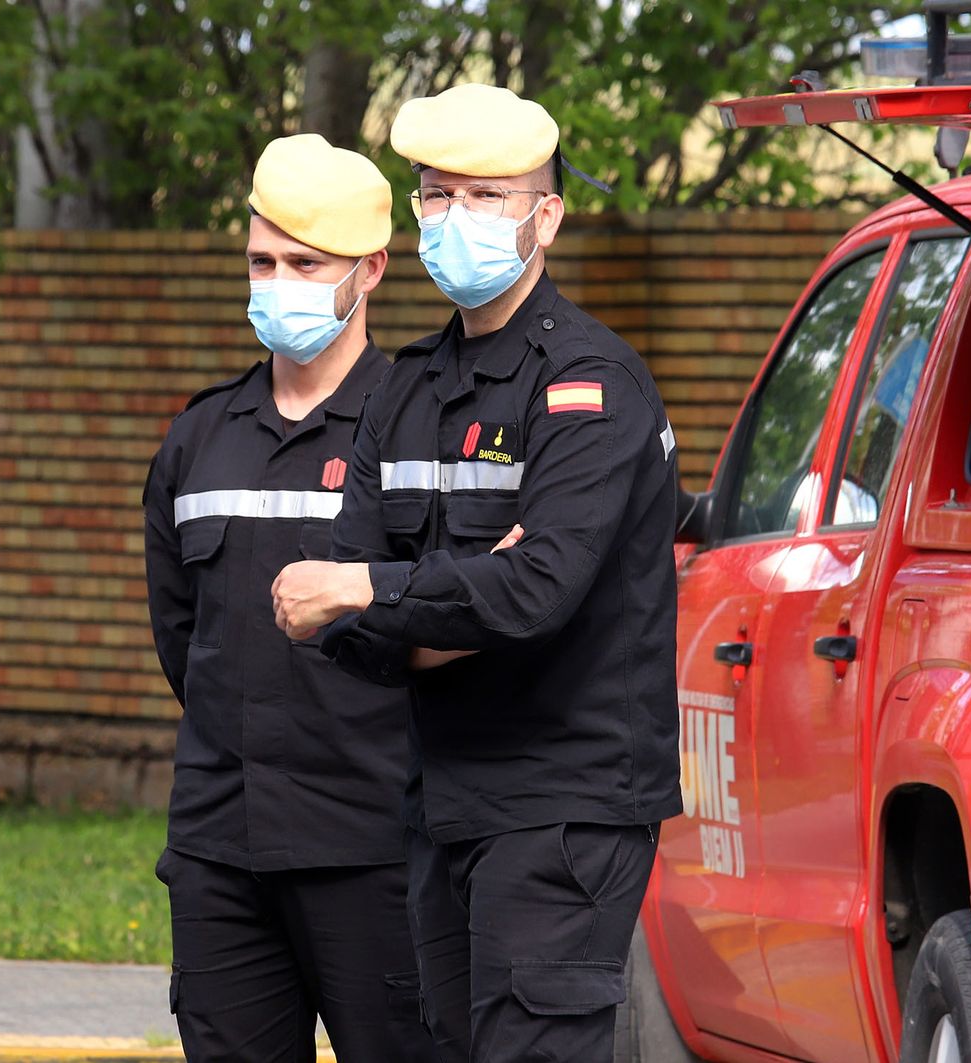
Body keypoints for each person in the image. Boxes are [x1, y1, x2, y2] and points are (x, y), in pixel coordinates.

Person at [270, 84, 682, 1063]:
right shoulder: (407, 389)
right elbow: (341, 630)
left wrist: (381, 590)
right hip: (443, 799)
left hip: (565, 804)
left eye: (487, 196)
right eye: (436, 194)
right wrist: (454, 608)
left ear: (547, 216)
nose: (456, 217)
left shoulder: (590, 386)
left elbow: (533, 592)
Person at [142, 133, 436, 1062]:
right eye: (262, 262)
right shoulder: (199, 438)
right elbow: (181, 636)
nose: (277, 284)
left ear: (371, 269)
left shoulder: (422, 431)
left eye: (306, 264)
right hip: (222, 853)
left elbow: (457, 616)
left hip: (376, 849)